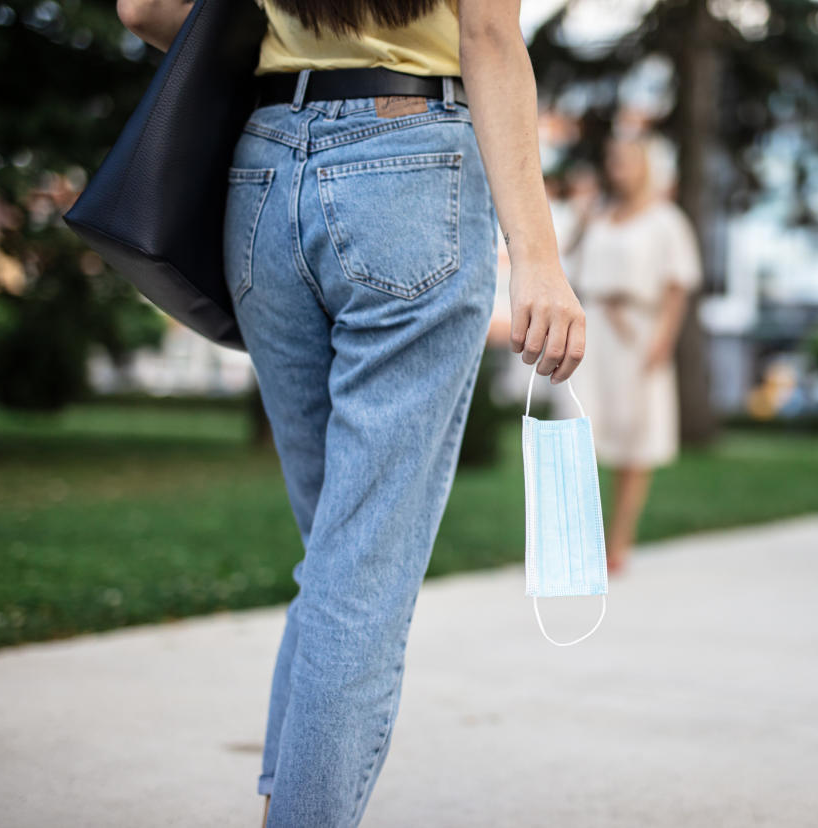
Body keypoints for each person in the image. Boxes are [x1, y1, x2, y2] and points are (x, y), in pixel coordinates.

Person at [117, 1, 586, 825]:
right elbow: (487, 32)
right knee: (359, 571)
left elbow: (143, 9)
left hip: (261, 175)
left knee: (337, 553)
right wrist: (539, 257)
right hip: (410, 166)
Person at [562, 132, 703, 574]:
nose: (615, 165)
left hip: (638, 334)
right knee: (579, 428)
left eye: (625, 158)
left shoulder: (667, 220)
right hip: (595, 329)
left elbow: (678, 285)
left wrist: (663, 339)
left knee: (633, 439)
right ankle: (578, 538)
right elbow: (568, 260)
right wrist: (583, 217)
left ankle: (618, 541)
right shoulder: (599, 216)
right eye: (612, 157)